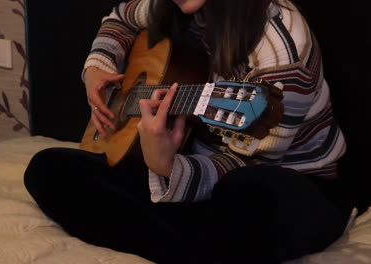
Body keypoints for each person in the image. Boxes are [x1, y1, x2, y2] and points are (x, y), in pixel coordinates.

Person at [24, 0, 353, 263]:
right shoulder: (172, 5)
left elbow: (250, 164)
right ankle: (186, 238)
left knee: (250, 195)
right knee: (46, 169)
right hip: (191, 161)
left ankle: (176, 232)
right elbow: (121, 17)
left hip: (286, 180)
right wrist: (98, 67)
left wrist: (165, 167)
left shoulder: (281, 46)